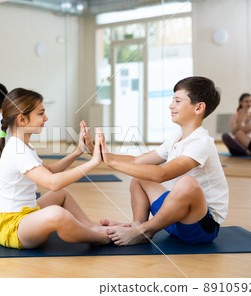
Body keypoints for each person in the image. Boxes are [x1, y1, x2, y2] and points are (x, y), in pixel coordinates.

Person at [98, 76, 229, 246]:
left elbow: (162, 174)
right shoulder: (176, 137)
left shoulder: (201, 142)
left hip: (200, 228)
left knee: (187, 183)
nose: (171, 105)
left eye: (177, 101)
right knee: (140, 178)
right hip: (173, 219)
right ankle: (138, 225)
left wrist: (112, 163)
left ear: (198, 108)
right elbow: (138, 161)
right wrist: (100, 153)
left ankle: (145, 230)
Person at [0, 88, 110, 249]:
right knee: (56, 213)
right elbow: (52, 183)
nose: (46, 118)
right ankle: (100, 237)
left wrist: (78, 151)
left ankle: (92, 227)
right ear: (22, 120)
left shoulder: (23, 145)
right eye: (40, 113)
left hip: (26, 215)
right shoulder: (17, 149)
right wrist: (93, 162)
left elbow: (49, 172)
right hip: (11, 228)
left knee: (61, 194)